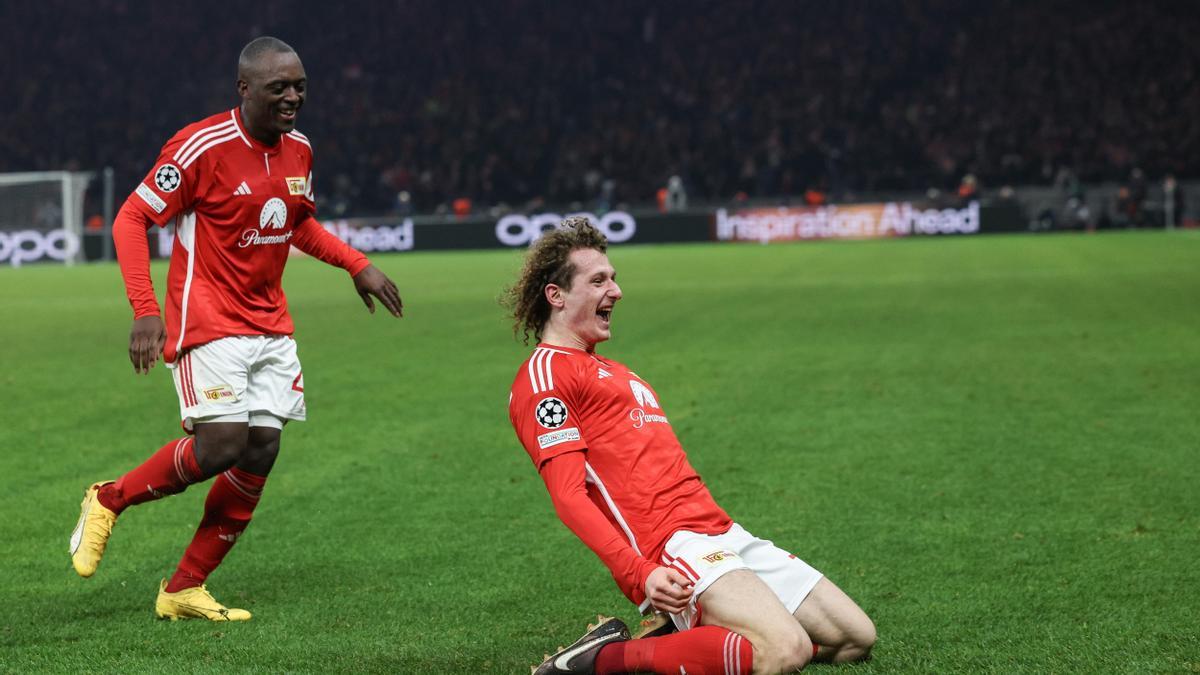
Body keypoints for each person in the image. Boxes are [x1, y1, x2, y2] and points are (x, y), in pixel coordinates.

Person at [69, 36, 403, 621]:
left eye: (299, 85)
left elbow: (298, 225)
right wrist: (145, 309)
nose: (293, 97)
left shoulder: (300, 149)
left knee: (261, 449)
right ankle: (108, 498)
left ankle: (183, 588)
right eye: (280, 87)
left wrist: (358, 264)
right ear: (245, 89)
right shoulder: (201, 146)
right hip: (208, 317)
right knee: (222, 444)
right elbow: (131, 218)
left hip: (270, 323)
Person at [504, 217, 875, 674]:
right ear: (555, 296)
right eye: (598, 280)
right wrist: (642, 575)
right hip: (671, 545)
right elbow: (569, 496)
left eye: (614, 278)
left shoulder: (619, 372)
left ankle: (691, 637)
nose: (616, 291)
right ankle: (601, 660)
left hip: (721, 531)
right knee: (785, 650)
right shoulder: (546, 377)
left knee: (855, 638)